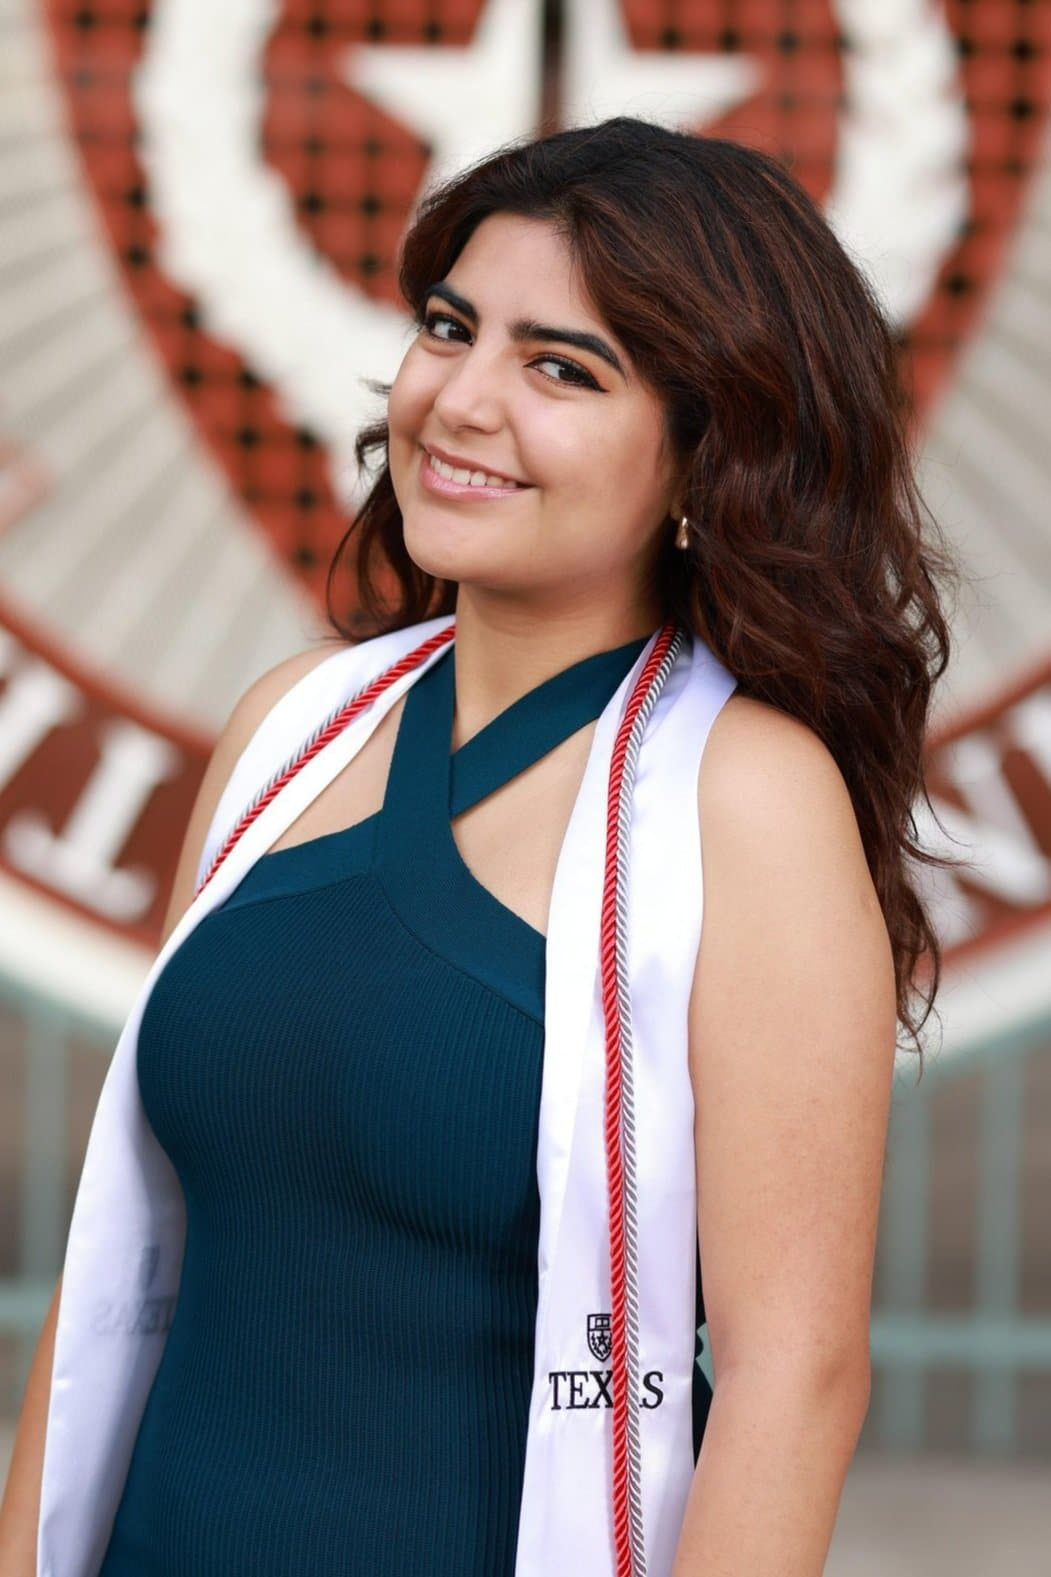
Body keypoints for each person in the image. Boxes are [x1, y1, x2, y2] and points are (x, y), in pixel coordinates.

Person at [0, 115, 959, 1576]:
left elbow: (796, 1375)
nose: (460, 400)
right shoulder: (289, 726)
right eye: (453, 329)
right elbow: (128, 1256)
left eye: (562, 368)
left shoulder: (743, 797)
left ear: (711, 451)